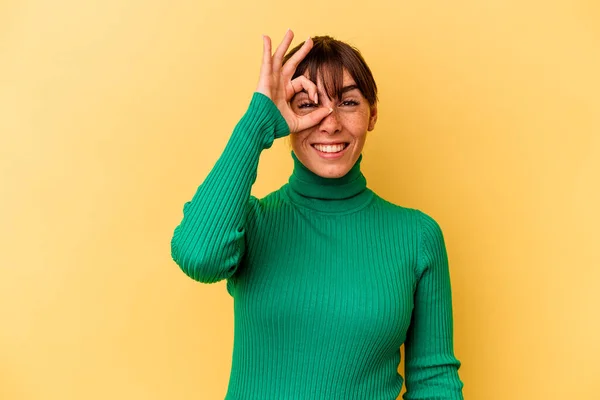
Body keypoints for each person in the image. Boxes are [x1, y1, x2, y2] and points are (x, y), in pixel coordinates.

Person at [171, 30, 464, 399]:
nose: (330, 122)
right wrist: (257, 121)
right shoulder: (253, 223)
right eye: (308, 104)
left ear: (372, 114)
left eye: (348, 102)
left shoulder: (417, 236)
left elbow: (434, 380)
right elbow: (198, 256)